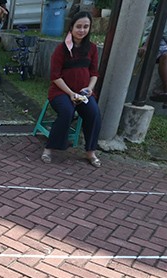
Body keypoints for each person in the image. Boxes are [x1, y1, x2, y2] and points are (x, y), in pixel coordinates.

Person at [40, 11, 102, 168]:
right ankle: (49, 148)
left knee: (94, 112)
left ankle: (90, 151)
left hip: (83, 93)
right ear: (71, 28)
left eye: (85, 27)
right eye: (78, 26)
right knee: (67, 112)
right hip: (61, 93)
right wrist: (70, 93)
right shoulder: (61, 50)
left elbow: (94, 73)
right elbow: (55, 76)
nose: (82, 30)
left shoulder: (92, 49)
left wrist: (89, 88)